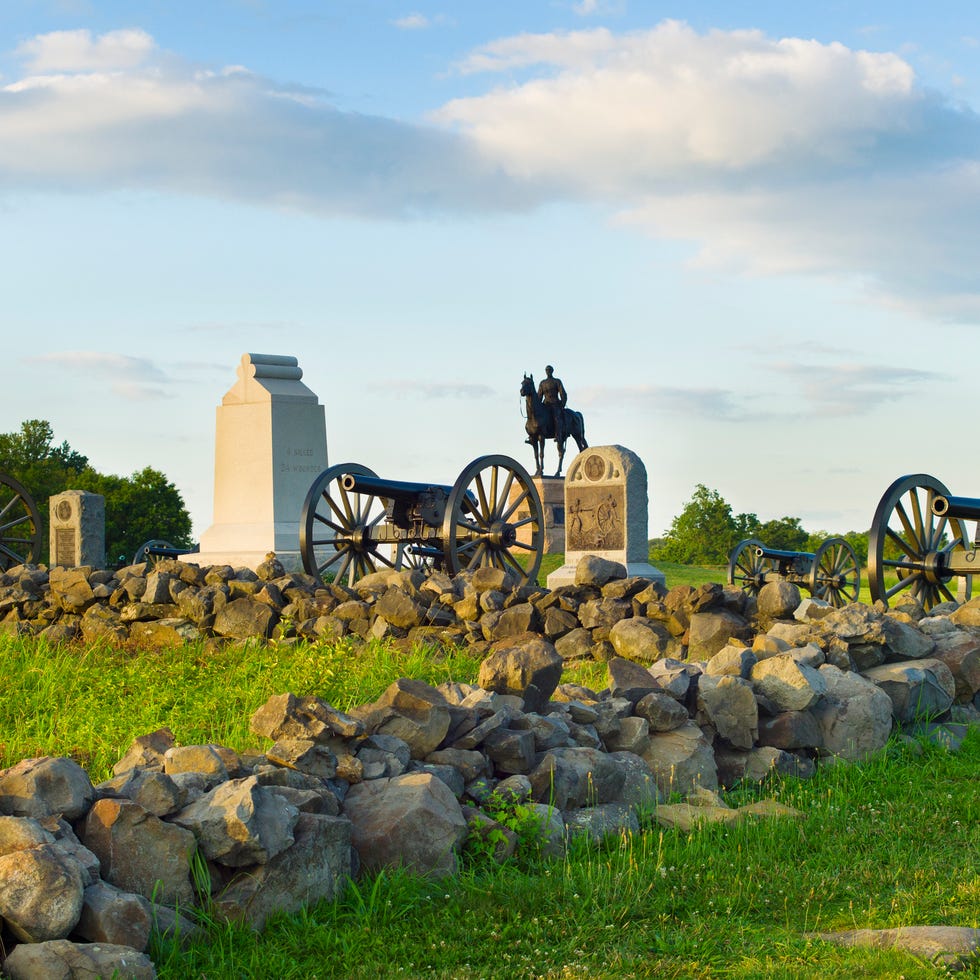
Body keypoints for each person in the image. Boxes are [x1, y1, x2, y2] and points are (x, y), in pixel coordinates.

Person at [537, 365, 567, 444]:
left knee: (556, 417)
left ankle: (558, 434)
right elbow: (539, 396)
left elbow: (563, 393)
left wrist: (562, 404)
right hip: (545, 404)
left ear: (552, 371)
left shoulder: (557, 381)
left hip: (555, 403)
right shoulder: (542, 383)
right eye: (547, 370)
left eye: (549, 370)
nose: (548, 371)